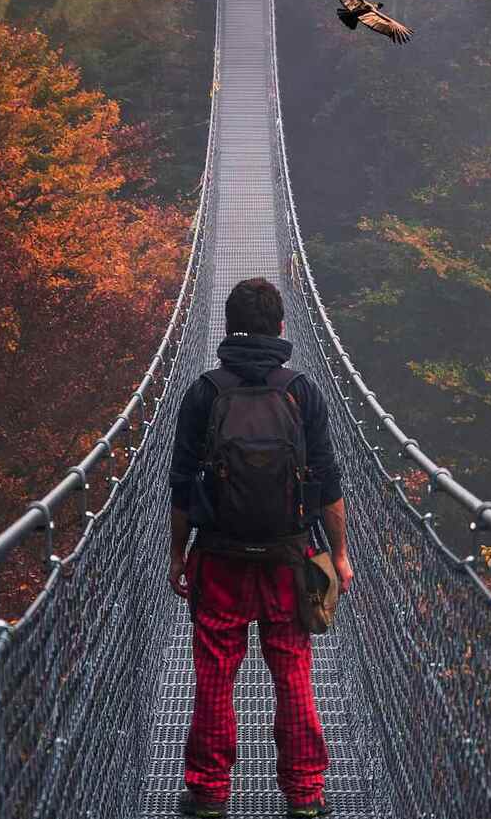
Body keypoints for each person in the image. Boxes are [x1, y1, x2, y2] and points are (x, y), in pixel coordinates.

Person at [167, 277, 354, 819]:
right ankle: (304, 796)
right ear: (281, 327)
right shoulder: (302, 390)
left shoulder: (204, 391)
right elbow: (329, 484)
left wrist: (178, 555)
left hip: (219, 557)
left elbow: (182, 486)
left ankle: (208, 795)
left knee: (214, 674)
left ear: (227, 328)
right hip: (289, 559)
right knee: (293, 670)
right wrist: (338, 556)